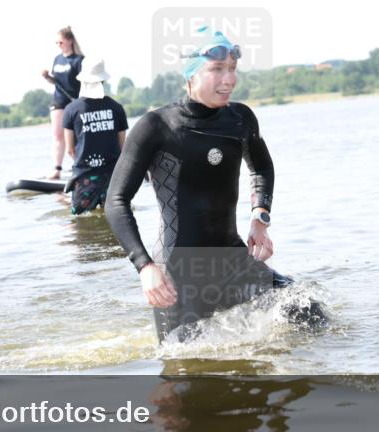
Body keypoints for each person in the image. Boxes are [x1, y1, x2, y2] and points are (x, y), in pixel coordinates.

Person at [105, 28, 326, 342]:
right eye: (217, 69)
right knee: (182, 361)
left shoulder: (240, 119)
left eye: (233, 69)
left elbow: (261, 166)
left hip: (233, 261)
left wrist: (260, 217)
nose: (229, 79)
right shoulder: (157, 127)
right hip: (179, 273)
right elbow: (115, 202)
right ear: (191, 73)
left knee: (308, 310)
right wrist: (145, 267)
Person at [62, 59, 128, 215]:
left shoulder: (71, 110)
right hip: (113, 176)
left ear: (83, 81)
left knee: (79, 220)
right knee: (116, 217)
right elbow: (123, 148)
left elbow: (70, 150)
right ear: (103, 81)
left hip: (84, 177)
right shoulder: (117, 108)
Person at [41, 26, 84, 179]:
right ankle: (57, 169)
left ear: (70, 41)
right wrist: (47, 77)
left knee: (76, 136)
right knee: (57, 135)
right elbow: (56, 82)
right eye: (57, 43)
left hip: (74, 101)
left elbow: (84, 82)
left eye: (60, 42)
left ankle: (81, 165)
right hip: (59, 100)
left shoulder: (79, 60)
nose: (58, 45)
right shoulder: (57, 59)